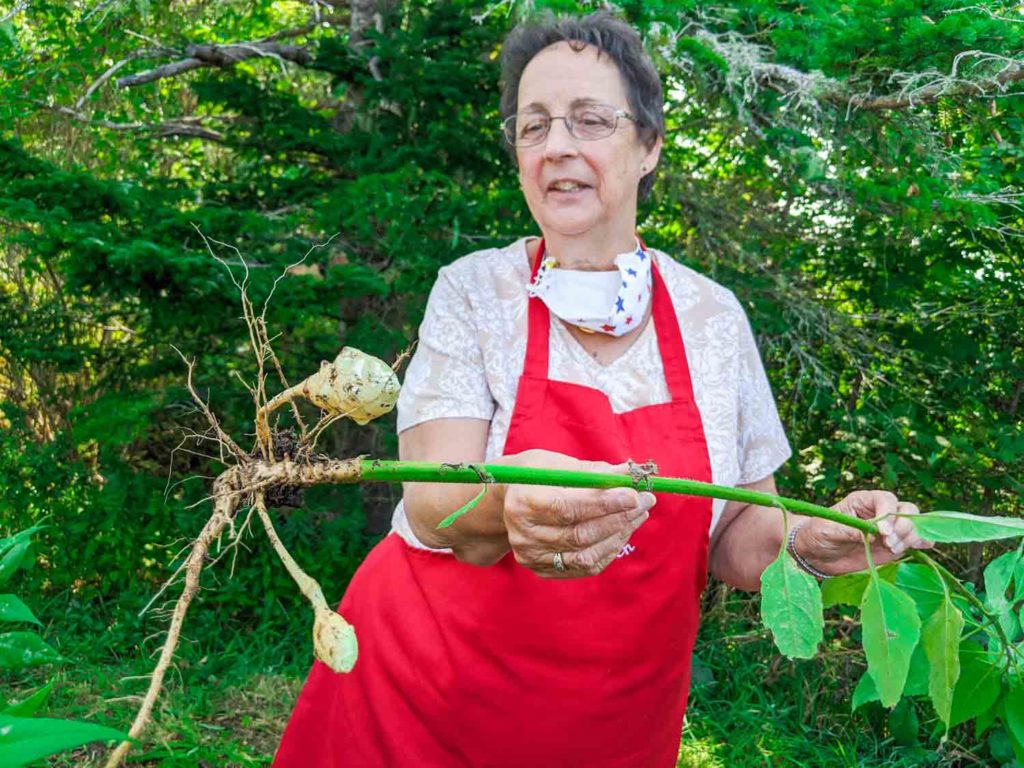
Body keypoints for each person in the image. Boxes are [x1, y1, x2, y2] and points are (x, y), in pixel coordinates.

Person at [273, 11, 932, 767]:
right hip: (417, 707)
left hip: (613, 730)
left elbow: (738, 538)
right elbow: (432, 501)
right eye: (534, 126)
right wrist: (508, 503)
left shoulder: (714, 320)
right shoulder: (475, 294)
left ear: (648, 145)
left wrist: (811, 540)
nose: (557, 147)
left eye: (589, 120)